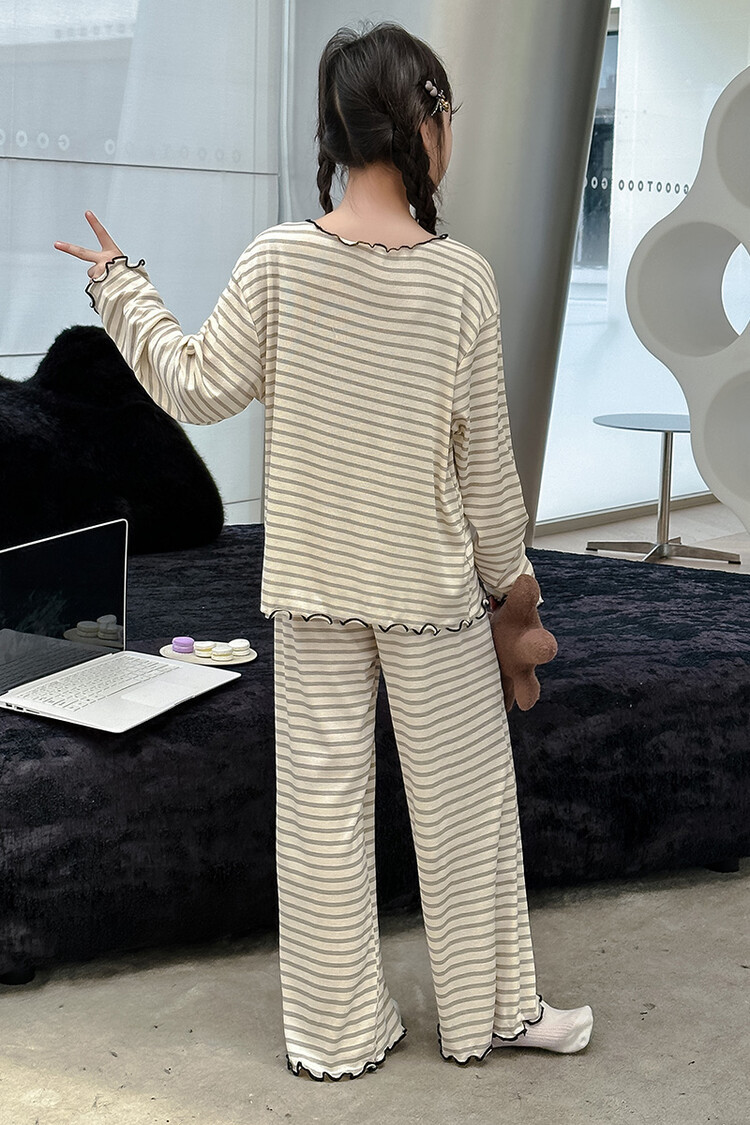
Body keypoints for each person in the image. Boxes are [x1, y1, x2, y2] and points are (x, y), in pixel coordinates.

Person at [55, 19, 593, 1082]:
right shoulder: (461, 281)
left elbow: (195, 384)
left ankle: (337, 1034)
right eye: (446, 111)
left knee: (322, 817)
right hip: (430, 596)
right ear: (422, 123)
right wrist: (513, 586)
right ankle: (491, 1013)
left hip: (313, 591)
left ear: (337, 132)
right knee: (466, 807)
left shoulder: (278, 260)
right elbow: (487, 474)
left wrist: (120, 284)